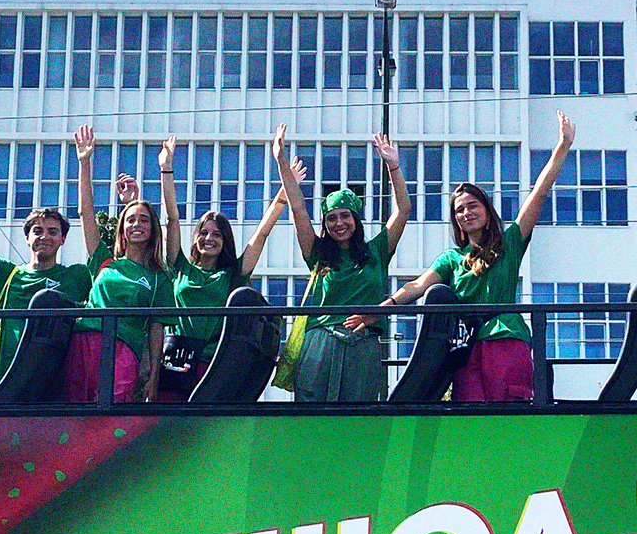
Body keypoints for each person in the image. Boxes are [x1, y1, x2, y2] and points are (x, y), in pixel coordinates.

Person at [356, 111, 577, 402]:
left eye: (473, 205)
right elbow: (417, 286)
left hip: (505, 338)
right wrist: (383, 309)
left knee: (507, 415)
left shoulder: (509, 242)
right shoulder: (451, 259)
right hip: (466, 348)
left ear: (486, 211)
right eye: (459, 210)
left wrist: (563, 145)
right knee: (467, 414)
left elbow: (539, 192)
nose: (466, 212)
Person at [151, 135, 297, 402]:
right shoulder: (179, 267)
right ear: (196, 238)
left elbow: (261, 234)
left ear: (225, 241)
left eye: (217, 234)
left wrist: (284, 191)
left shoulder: (233, 275)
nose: (209, 239)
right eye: (204, 233)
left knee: (207, 424)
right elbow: (172, 218)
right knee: (169, 424)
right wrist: (166, 169)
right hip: (174, 362)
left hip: (212, 367)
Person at [273, 124, 412, 403]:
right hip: (320, 344)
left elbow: (403, 210)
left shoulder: (377, 251)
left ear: (356, 219)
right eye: (331, 218)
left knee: (357, 417)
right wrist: (281, 161)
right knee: (312, 416)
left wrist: (394, 167)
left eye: (345, 215)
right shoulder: (317, 252)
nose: (339, 223)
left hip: (363, 345)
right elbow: (298, 208)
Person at [0, 162, 92, 401]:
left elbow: (105, 261)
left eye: (53, 231)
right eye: (38, 231)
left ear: (63, 239)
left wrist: (85, 164)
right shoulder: (7, 274)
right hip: (7, 381)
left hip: (56, 384)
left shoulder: (77, 276)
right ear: (27, 238)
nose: (45, 236)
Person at [71, 125, 174, 402]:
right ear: (122, 229)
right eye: (130, 220)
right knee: (75, 412)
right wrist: (84, 162)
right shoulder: (105, 261)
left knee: (114, 411)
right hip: (84, 342)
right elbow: (86, 213)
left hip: (125, 349)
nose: (137, 225)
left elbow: (157, 330)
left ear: (153, 229)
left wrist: (154, 376)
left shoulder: (158, 278)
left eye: (144, 220)